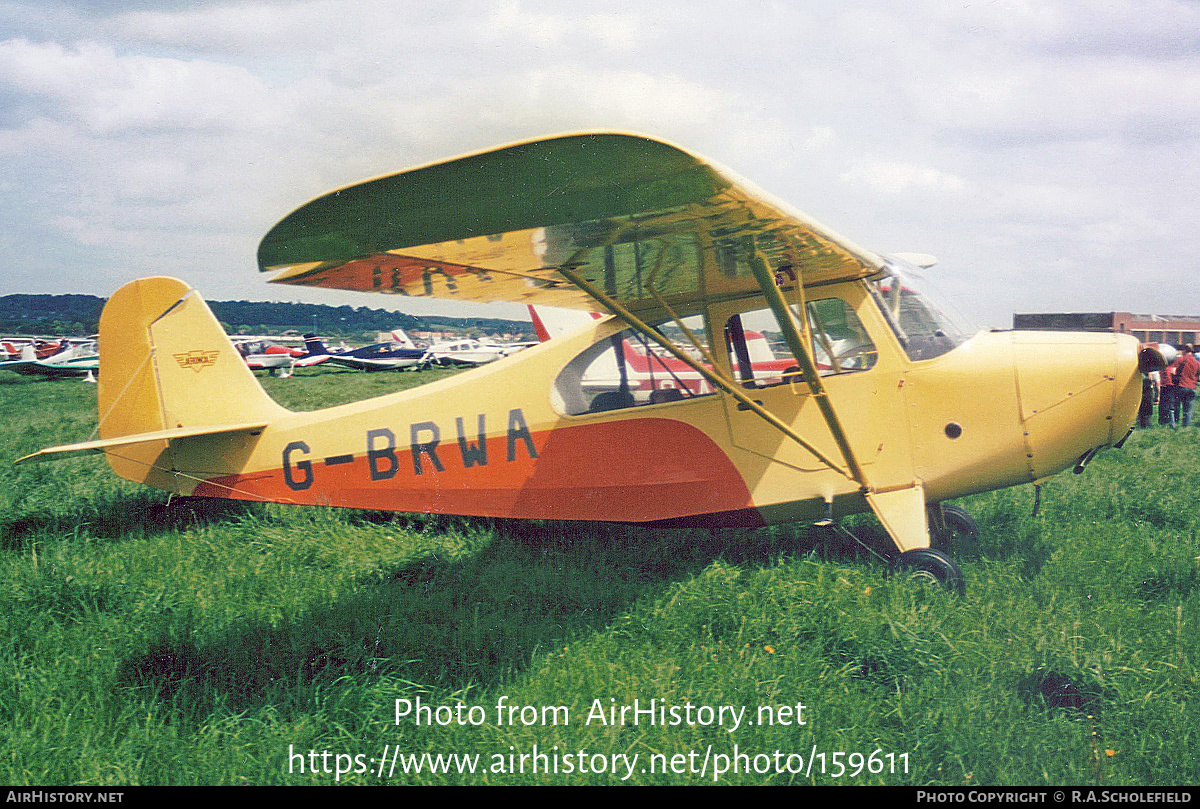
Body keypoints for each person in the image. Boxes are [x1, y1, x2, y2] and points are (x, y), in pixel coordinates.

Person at [1175, 344, 1200, 427]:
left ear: (1184, 350)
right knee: (1188, 410)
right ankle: (1186, 426)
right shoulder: (1197, 363)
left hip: (1181, 385)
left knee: (1177, 407)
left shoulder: (1181, 360)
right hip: (1191, 387)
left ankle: (1175, 424)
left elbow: (1177, 372)